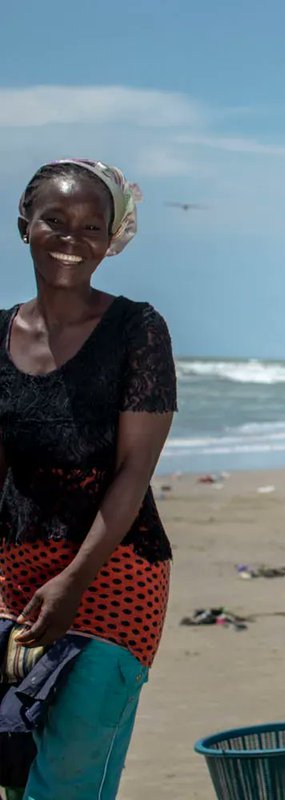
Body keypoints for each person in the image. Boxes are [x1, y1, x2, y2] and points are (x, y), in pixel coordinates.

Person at [0, 160, 176, 799]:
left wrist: (75, 580)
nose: (72, 238)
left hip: (114, 569)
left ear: (110, 240)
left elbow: (133, 471)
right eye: (55, 219)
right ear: (25, 225)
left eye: (91, 227)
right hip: (13, 576)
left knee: (69, 778)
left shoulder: (138, 330)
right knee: (13, 764)